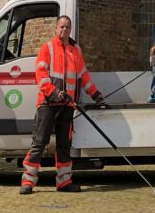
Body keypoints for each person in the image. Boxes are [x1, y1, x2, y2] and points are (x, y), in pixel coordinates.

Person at [20, 15, 105, 195]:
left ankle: (64, 182)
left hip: (67, 106)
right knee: (39, 143)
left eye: (67, 27)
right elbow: (41, 75)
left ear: (70, 29)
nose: (64, 30)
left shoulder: (76, 51)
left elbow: (84, 76)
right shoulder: (47, 48)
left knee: (64, 145)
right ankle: (28, 181)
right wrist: (53, 92)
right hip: (47, 104)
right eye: (61, 27)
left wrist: (95, 94)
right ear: (56, 29)